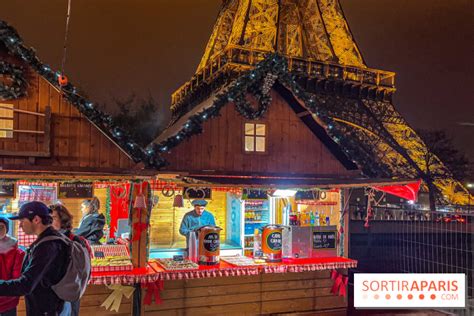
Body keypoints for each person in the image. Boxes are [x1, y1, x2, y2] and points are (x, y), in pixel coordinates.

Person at [0, 201, 69, 316]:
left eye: (22, 221)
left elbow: (26, 285)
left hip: (48, 309)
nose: (20, 225)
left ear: (36, 219)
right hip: (49, 307)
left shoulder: (47, 246)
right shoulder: (48, 240)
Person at [50, 203, 91, 316]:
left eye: (53, 218)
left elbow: (85, 271)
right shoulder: (46, 240)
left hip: (69, 295)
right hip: (51, 297)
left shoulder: (75, 241)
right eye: (47, 218)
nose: (49, 221)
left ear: (63, 219)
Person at [0, 217, 25, 316]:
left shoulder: (17, 253)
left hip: (8, 299)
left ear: (6, 229)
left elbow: (16, 276)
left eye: (1, 227)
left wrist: (12, 294)